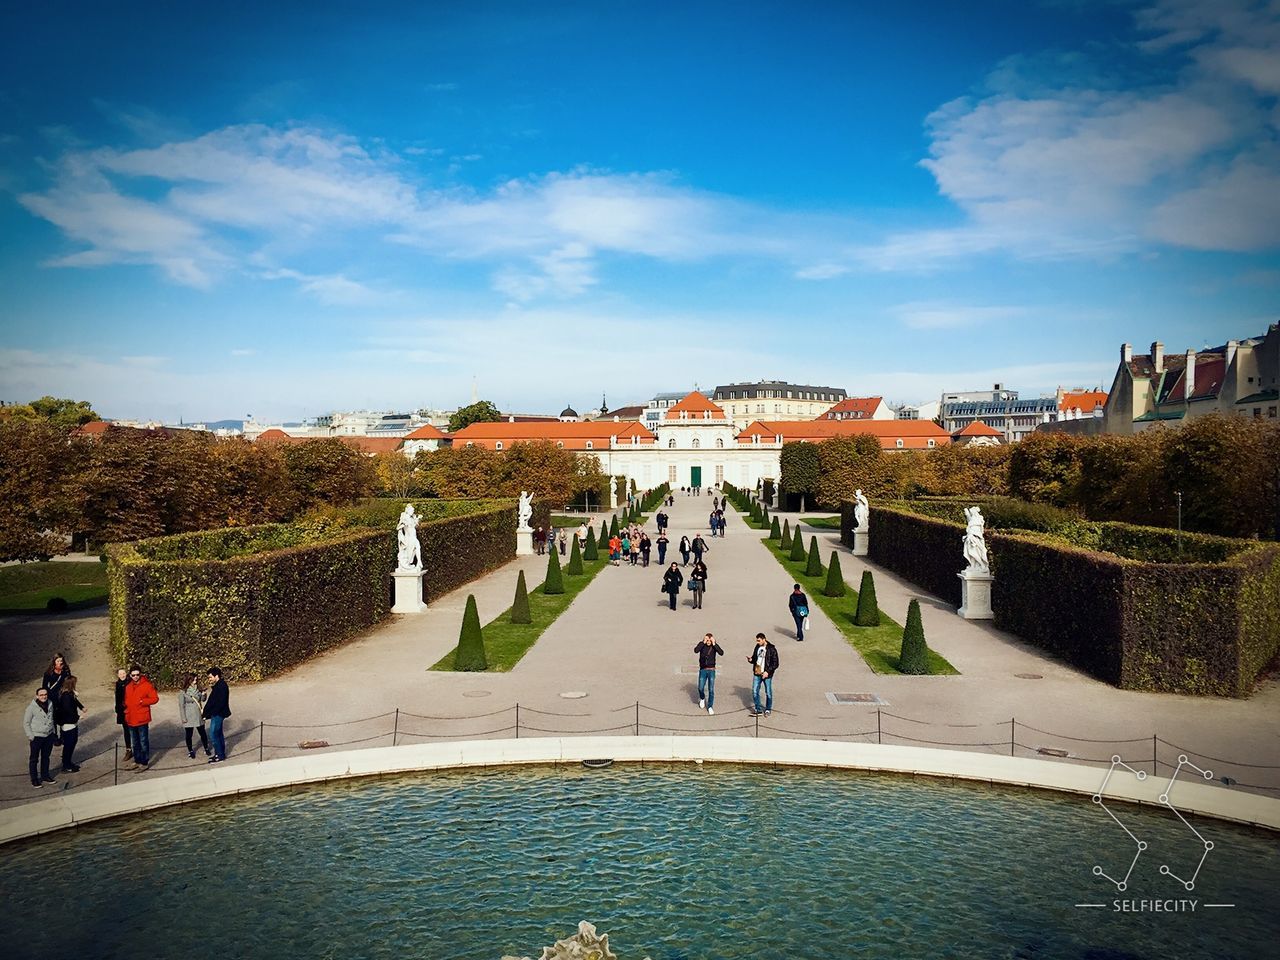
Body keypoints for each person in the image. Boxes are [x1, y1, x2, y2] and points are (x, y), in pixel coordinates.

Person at [123, 664, 159, 770]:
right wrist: (125, 707)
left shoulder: (147, 685)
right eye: (133, 675)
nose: (135, 677)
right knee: (135, 742)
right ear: (130, 675)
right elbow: (126, 699)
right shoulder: (128, 687)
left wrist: (142, 701)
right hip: (130, 718)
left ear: (140, 674)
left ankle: (144, 762)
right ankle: (137, 760)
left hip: (142, 718)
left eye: (137, 675)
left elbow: (155, 698)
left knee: (143, 741)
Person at [24, 687, 57, 787]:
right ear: (37, 696)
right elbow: (26, 723)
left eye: (45, 694)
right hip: (37, 737)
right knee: (34, 759)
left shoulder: (50, 704)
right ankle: (34, 779)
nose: (44, 696)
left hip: (48, 736)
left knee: (46, 757)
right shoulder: (31, 708)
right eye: (41, 695)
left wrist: (54, 733)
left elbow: (52, 719)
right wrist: (30, 735)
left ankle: (45, 775)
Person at [54, 675, 85, 772]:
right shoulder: (66, 696)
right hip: (68, 723)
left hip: (71, 723)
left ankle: (68, 762)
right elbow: (68, 710)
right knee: (69, 744)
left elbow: (75, 701)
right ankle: (66, 764)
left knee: (72, 742)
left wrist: (81, 707)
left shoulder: (68, 693)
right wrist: (78, 717)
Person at [179, 672, 211, 759]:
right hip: (188, 715)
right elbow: (181, 706)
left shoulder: (199, 689)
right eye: (193, 680)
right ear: (189, 680)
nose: (195, 681)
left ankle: (206, 748)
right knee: (189, 734)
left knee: (202, 732)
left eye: (196, 679)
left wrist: (204, 695)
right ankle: (190, 750)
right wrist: (183, 718)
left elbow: (202, 700)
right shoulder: (183, 691)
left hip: (197, 714)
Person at [203, 667, 231, 763]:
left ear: (216, 676)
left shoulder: (221, 686)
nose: (209, 679)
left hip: (218, 714)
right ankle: (220, 754)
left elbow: (219, 703)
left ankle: (219, 755)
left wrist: (208, 713)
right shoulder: (220, 685)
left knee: (214, 734)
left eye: (210, 677)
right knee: (218, 734)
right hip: (218, 713)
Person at [746, 633, 779, 717]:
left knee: (768, 692)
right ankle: (758, 709)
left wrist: (767, 671)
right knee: (754, 691)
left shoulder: (771, 649)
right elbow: (755, 658)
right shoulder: (757, 647)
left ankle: (768, 709)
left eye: (759, 640)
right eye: (757, 640)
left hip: (767, 674)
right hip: (757, 672)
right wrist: (751, 660)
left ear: (764, 639)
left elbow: (776, 663)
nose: (757, 642)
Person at [694, 633, 725, 714]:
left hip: (711, 670)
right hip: (703, 670)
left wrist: (714, 644)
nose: (708, 642)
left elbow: (721, 653)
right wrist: (703, 642)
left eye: (709, 640)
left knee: (711, 689)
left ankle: (710, 706)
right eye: (707, 640)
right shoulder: (702, 645)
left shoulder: (714, 646)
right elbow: (696, 650)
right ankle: (702, 698)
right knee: (700, 687)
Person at [114, 667, 132, 762]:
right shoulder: (118, 684)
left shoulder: (130, 682)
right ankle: (128, 749)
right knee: (126, 730)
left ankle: (136, 748)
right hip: (122, 710)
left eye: (123, 673)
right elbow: (117, 697)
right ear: (118, 675)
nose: (122, 675)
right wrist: (117, 709)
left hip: (130, 709)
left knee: (133, 729)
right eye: (120, 674)